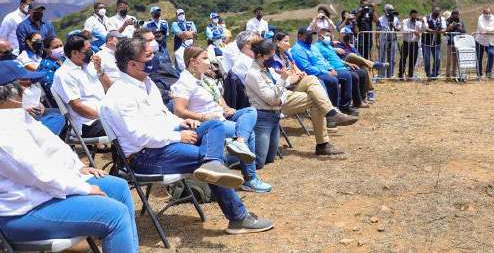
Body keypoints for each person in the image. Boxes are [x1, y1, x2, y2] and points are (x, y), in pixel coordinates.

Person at [102, 37, 273, 235]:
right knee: (208, 161)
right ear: (132, 64)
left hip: (164, 141)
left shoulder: (145, 83)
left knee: (214, 125)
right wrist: (178, 136)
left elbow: (163, 115)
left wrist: (180, 123)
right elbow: (138, 135)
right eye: (148, 56)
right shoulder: (121, 94)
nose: (154, 58)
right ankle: (238, 217)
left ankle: (213, 163)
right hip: (145, 155)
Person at [0, 68, 139, 252]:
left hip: (44, 194)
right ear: (6, 93)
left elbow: (54, 148)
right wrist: (84, 188)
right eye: (25, 84)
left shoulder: (19, 117)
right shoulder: (5, 131)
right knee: (115, 215)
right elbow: (40, 174)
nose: (30, 90)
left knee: (119, 187)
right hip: (23, 211)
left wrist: (77, 167)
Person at [171, 46, 271, 193]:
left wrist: (226, 108)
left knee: (250, 111)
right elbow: (179, 110)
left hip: (221, 116)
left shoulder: (205, 79)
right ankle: (249, 177)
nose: (209, 61)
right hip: (207, 124)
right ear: (193, 62)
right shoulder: (185, 82)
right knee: (249, 133)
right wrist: (203, 116)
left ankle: (240, 143)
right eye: (204, 58)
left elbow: (218, 98)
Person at [273, 31, 358, 129]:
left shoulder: (288, 53)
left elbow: (297, 67)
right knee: (325, 83)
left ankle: (332, 114)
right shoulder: (278, 56)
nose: (289, 44)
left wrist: (301, 73)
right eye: (286, 41)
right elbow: (285, 75)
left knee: (322, 83)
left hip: (299, 80)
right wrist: (295, 76)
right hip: (288, 87)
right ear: (277, 43)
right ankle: (332, 113)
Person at [51, 35, 107, 138]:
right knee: (124, 123)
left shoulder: (90, 65)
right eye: (87, 50)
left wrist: (99, 70)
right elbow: (78, 107)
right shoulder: (64, 74)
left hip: (105, 114)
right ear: (74, 53)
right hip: (88, 123)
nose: (91, 52)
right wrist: (105, 116)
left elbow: (110, 89)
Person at [290, 28, 357, 115]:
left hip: (325, 70)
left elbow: (323, 60)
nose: (311, 37)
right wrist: (326, 72)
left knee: (346, 75)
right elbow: (306, 68)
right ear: (300, 36)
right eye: (308, 35)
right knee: (332, 81)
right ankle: (331, 111)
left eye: (312, 35)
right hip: (312, 74)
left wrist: (330, 68)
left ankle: (344, 106)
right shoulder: (297, 49)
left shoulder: (313, 47)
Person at [315, 29, 368, 108]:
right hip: (334, 69)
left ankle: (359, 100)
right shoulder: (317, 47)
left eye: (329, 36)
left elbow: (338, 59)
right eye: (326, 36)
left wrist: (348, 64)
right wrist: (330, 69)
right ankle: (345, 105)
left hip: (342, 67)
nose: (329, 38)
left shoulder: (328, 46)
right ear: (320, 37)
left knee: (362, 72)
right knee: (351, 76)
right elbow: (321, 61)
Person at [422, 7, 446, 79]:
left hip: (437, 42)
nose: (437, 13)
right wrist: (432, 31)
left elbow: (444, 28)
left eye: (439, 11)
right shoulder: (426, 18)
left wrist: (441, 31)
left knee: (437, 58)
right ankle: (428, 73)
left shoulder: (441, 19)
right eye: (436, 11)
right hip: (426, 42)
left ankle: (435, 73)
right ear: (432, 11)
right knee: (427, 59)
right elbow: (425, 27)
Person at [475, 8, 494, 77]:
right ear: (483, 13)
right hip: (480, 41)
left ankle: (488, 72)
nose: (487, 15)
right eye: (486, 13)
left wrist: (489, 31)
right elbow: (482, 29)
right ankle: (479, 73)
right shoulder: (480, 18)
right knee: (479, 58)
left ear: (491, 12)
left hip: (490, 41)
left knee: (491, 54)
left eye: (488, 13)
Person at [400, 10, 424, 80]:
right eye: (413, 15)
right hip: (406, 43)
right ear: (410, 15)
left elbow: (422, 30)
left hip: (414, 43)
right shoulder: (405, 21)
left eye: (416, 15)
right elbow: (405, 29)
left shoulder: (418, 23)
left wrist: (423, 22)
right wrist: (414, 31)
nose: (414, 16)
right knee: (403, 59)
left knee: (413, 60)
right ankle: (401, 75)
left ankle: (410, 76)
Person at [378, 4, 400, 78]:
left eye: (392, 10)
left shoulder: (396, 19)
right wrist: (377, 41)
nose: (391, 12)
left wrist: (394, 26)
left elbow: (399, 28)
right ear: (385, 11)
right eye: (389, 10)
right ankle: (381, 75)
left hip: (393, 40)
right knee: (382, 58)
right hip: (383, 40)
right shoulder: (380, 19)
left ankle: (390, 75)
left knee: (392, 58)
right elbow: (377, 30)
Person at [445, 10, 466, 79]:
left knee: (455, 59)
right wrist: (450, 27)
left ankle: (454, 74)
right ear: (452, 15)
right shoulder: (448, 21)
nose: (456, 16)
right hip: (450, 42)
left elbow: (464, 31)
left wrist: (459, 28)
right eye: (454, 15)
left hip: (458, 43)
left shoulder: (460, 21)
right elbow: (445, 31)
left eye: (457, 15)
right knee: (449, 60)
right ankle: (448, 75)